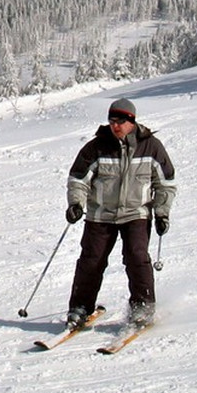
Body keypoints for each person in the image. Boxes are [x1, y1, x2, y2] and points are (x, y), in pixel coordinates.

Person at [64, 97, 176, 328]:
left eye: (121, 121)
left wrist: (162, 214)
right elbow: (78, 179)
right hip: (100, 214)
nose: (115, 125)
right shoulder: (96, 147)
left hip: (136, 213)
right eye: (112, 120)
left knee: (137, 258)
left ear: (132, 121)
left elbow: (165, 183)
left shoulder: (151, 147)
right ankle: (80, 307)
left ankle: (142, 308)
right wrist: (76, 204)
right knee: (91, 261)